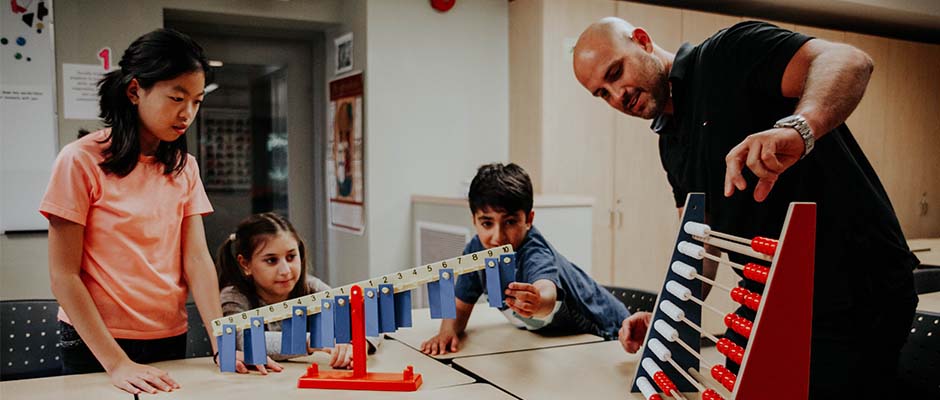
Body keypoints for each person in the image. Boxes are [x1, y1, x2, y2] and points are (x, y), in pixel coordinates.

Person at [572, 17, 918, 397]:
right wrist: (665, 314)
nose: (617, 94)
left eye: (616, 73)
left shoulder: (727, 54)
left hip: (856, 291)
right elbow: (699, 248)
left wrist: (799, 129)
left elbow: (849, 61)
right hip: (774, 303)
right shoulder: (670, 143)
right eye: (602, 93)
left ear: (642, 40)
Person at [41, 28, 269, 395]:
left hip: (168, 334)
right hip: (97, 343)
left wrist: (221, 339)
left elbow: (196, 259)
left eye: (197, 101)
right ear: (135, 91)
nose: (187, 113)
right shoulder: (80, 160)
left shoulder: (184, 166)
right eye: (177, 98)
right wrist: (116, 363)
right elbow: (63, 276)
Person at [420, 163, 631, 355]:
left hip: (608, 333)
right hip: (560, 340)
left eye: (510, 222)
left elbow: (546, 290)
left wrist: (538, 301)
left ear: (529, 219)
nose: (498, 237)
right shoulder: (477, 250)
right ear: (474, 220)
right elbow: (460, 306)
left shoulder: (534, 251)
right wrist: (447, 331)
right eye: (487, 223)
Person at [217, 212, 380, 369]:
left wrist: (359, 344)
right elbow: (242, 342)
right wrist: (314, 340)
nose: (285, 270)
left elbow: (371, 318)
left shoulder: (311, 288)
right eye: (271, 260)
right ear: (245, 264)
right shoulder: (233, 297)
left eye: (291, 257)